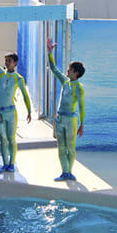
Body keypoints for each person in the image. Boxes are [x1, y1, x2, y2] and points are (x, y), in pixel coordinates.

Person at [0, 32, 33, 173]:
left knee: (11, 139)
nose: (7, 62)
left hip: (11, 112)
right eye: (6, 60)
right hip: (0, 112)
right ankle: (5, 164)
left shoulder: (18, 79)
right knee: (3, 138)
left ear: (15, 63)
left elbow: (25, 96)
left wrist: (29, 111)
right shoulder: (1, 73)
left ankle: (12, 164)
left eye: (9, 60)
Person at [46, 39, 86, 182]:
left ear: (76, 73)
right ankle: (64, 172)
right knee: (61, 147)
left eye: (70, 69)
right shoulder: (65, 81)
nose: (67, 71)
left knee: (70, 147)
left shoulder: (79, 87)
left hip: (71, 120)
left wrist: (82, 124)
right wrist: (50, 52)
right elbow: (54, 68)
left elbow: (81, 107)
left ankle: (70, 171)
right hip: (60, 118)